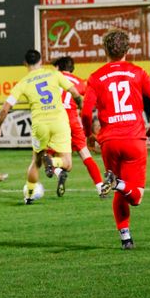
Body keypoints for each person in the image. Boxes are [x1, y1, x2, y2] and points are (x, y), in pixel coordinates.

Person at [81, 29, 150, 250]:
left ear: (105, 50)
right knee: (136, 197)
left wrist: (89, 134)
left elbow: (86, 113)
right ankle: (116, 183)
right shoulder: (138, 72)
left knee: (121, 189)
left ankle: (125, 238)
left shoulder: (96, 77)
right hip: (134, 139)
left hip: (109, 142)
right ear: (128, 49)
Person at [0, 49, 82, 204]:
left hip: (40, 125)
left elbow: (5, 108)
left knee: (36, 161)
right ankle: (54, 163)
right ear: (41, 61)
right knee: (67, 163)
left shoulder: (23, 83)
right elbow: (75, 93)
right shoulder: (54, 74)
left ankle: (29, 194)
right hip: (59, 122)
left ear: (25, 63)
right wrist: (80, 107)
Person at [52, 56, 104, 196]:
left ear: (58, 67)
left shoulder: (53, 78)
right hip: (73, 120)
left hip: (56, 120)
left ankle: (58, 172)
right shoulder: (80, 82)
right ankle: (100, 187)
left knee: (46, 156)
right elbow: (90, 98)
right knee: (85, 154)